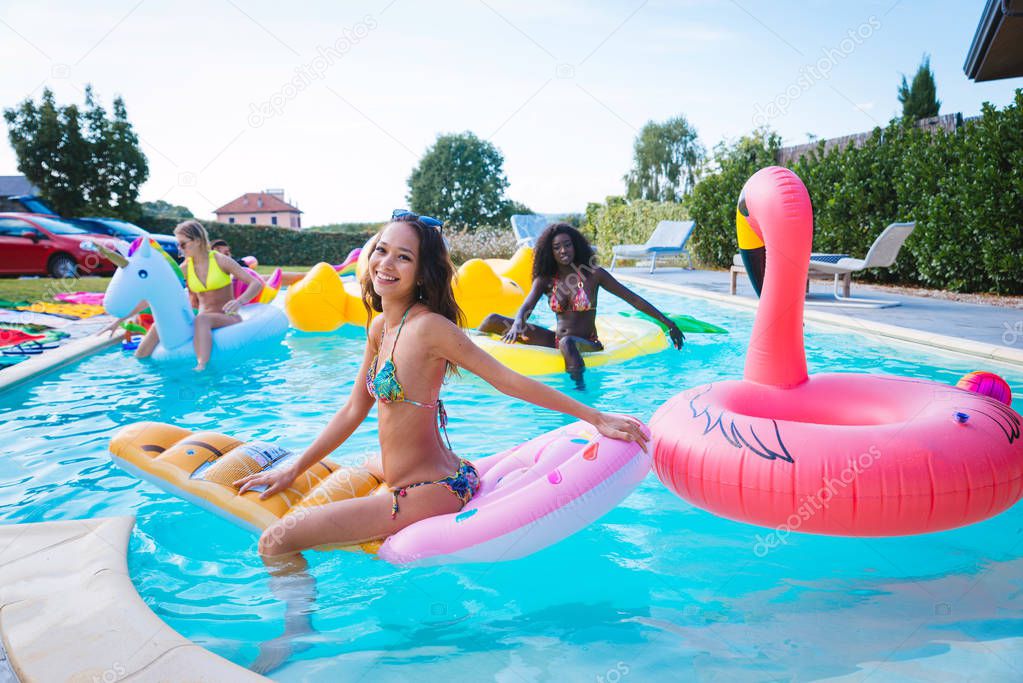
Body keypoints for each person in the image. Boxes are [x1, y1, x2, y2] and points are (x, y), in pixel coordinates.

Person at [233, 211, 647, 555]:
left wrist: (595, 417)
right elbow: (353, 409)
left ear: (423, 272)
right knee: (365, 461)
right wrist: (292, 470)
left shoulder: (431, 328)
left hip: (430, 490)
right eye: (381, 250)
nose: (385, 264)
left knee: (274, 542)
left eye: (403, 258)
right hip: (439, 471)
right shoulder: (379, 327)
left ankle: (295, 632)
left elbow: (507, 380)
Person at [478, 223, 685, 387]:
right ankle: (462, 358)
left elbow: (633, 299)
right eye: (556, 247)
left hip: (587, 343)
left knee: (567, 343)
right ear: (550, 252)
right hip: (556, 339)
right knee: (492, 320)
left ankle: (580, 393)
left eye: (567, 244)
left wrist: (669, 323)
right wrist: (517, 325)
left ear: (575, 245)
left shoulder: (594, 274)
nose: (563, 250)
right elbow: (526, 307)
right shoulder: (546, 279)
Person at [176, 220, 263, 371]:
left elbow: (256, 284)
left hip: (227, 317)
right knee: (197, 319)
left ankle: (202, 367)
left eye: (183, 244)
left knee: (201, 319)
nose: (180, 249)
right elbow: (165, 289)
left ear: (197, 241)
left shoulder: (221, 260)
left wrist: (240, 301)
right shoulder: (184, 268)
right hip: (203, 320)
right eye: (178, 245)